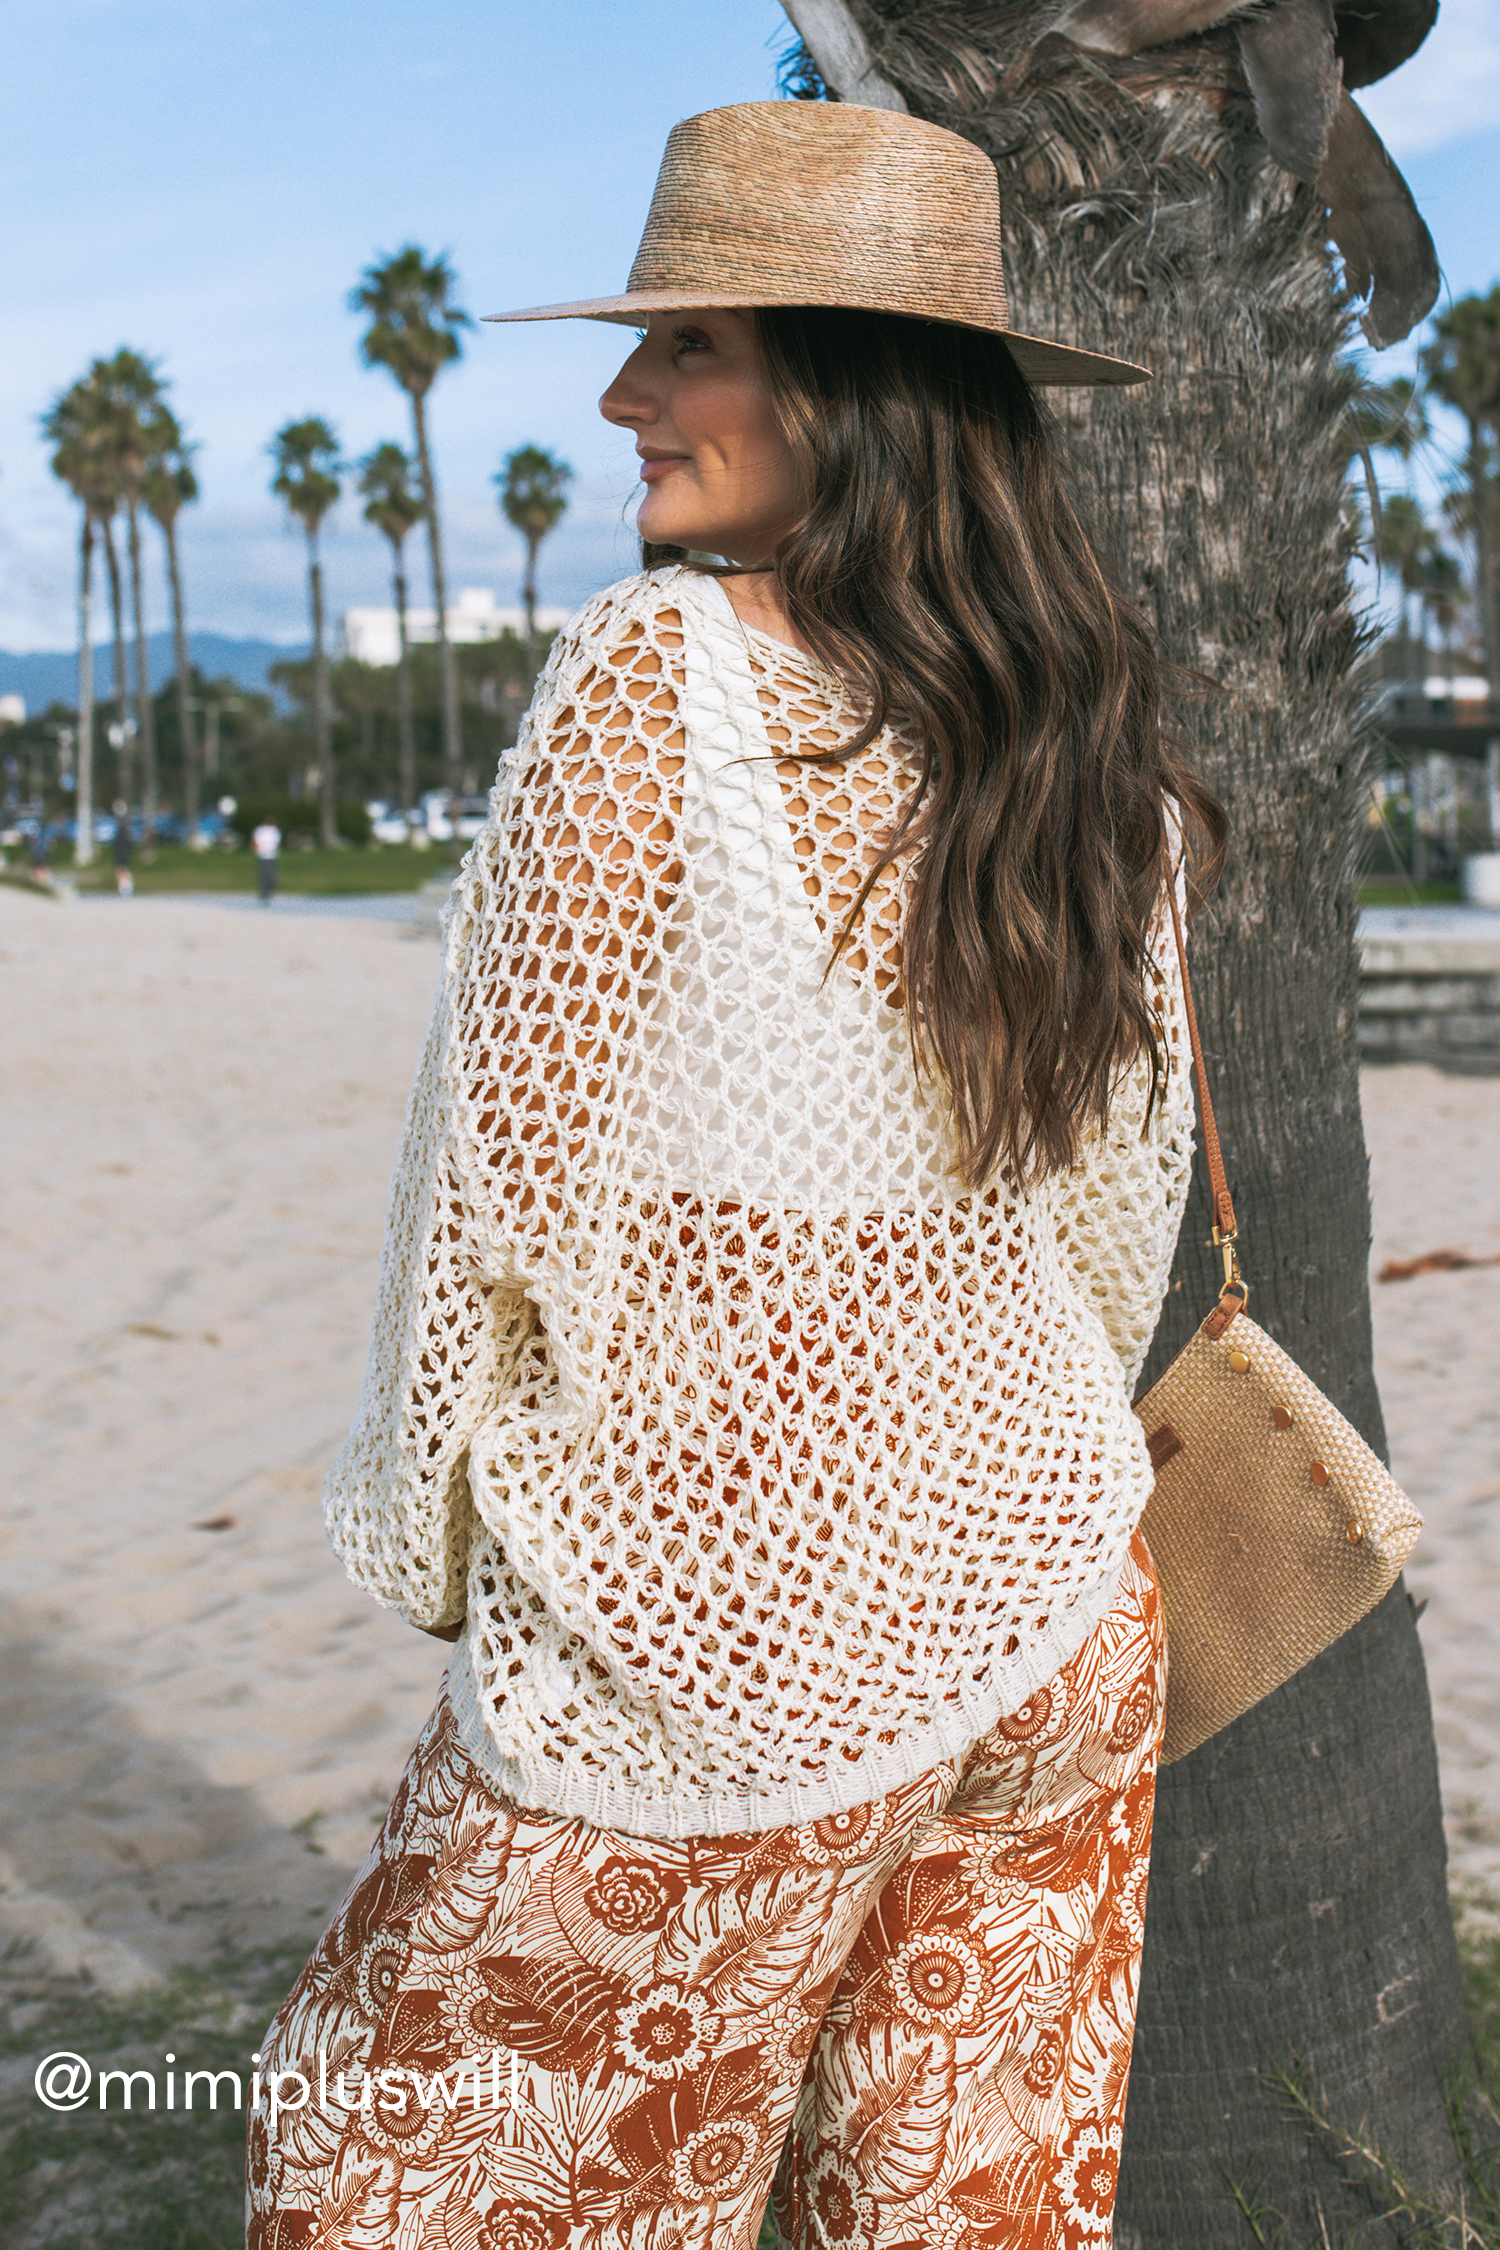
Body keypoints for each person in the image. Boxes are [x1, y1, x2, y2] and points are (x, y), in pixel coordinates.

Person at [249, 102, 1224, 2250]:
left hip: (714, 1649)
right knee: (963, 2217)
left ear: (851, 385)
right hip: (1060, 1609)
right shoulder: (1086, 739)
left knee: (393, 2177)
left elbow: (487, 1205)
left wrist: (441, 1542)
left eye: (686, 342)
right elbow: (1108, 1234)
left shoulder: (660, 671)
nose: (624, 397)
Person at [251, 816, 281, 904]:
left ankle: (269, 891)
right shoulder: (260, 830)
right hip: (262, 855)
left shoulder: (275, 831)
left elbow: (277, 842)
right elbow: (255, 840)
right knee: (263, 875)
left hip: (272, 856)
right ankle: (264, 893)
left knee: (271, 875)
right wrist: (257, 849)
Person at [110, 804, 133, 898]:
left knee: (121, 870)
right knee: (123, 870)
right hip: (124, 853)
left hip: (121, 853)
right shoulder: (125, 837)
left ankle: (125, 888)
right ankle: (126, 887)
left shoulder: (119, 838)